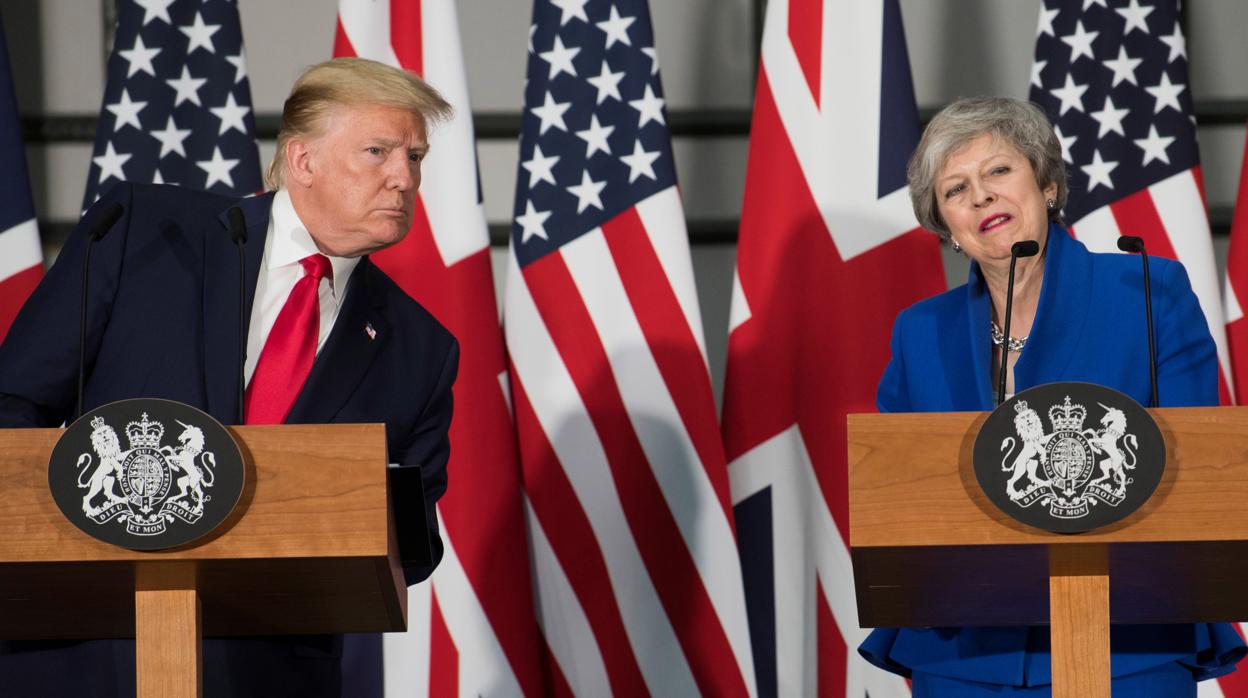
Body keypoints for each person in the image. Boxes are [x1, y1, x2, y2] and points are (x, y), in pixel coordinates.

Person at [0, 57, 458, 697]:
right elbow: (12, 405)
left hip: (268, 673)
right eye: (379, 151)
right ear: (302, 161)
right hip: (86, 654)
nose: (404, 179)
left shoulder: (421, 348)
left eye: (416, 158)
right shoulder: (148, 234)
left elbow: (412, 543)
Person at [858, 97, 1246, 696]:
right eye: (955, 189)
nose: (981, 196)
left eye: (998, 171)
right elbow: (894, 491)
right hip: (965, 657)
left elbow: (1202, 469)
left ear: (1047, 183)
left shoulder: (1147, 292)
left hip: (1130, 647)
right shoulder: (920, 332)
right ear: (946, 227)